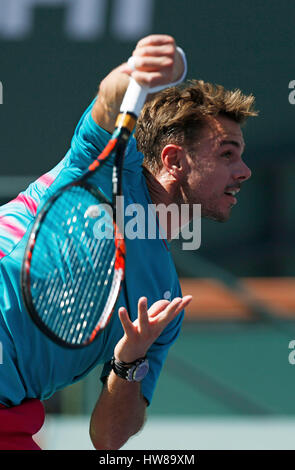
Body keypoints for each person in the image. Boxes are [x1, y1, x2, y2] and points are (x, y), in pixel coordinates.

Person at [0, 34, 257, 450]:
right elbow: (109, 102)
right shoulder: (105, 166)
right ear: (174, 160)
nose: (244, 171)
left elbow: (108, 439)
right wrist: (134, 73)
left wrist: (129, 360)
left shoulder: (163, 299)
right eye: (227, 154)